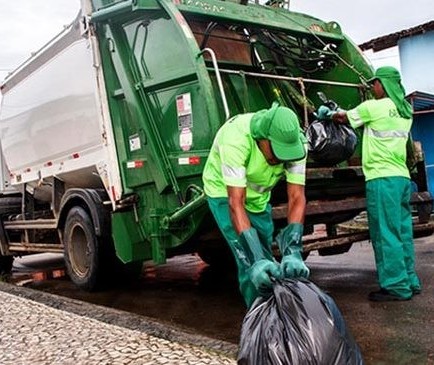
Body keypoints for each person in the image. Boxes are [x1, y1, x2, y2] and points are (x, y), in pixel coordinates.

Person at [317, 66, 421, 302]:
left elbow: (344, 117)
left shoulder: (374, 107)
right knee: (402, 232)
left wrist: (327, 113)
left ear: (383, 84)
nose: (371, 87)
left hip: (381, 179)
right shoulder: (405, 110)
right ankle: (410, 281)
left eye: (374, 83)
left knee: (385, 234)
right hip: (401, 177)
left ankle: (396, 286)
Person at [202, 102, 309, 308]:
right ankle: (262, 320)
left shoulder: (298, 146)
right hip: (224, 194)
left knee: (266, 255)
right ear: (262, 138)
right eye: (276, 151)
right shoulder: (235, 139)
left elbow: (297, 196)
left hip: (259, 198)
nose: (280, 159)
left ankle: (274, 310)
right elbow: (236, 203)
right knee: (251, 262)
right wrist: (256, 257)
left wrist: (293, 249)